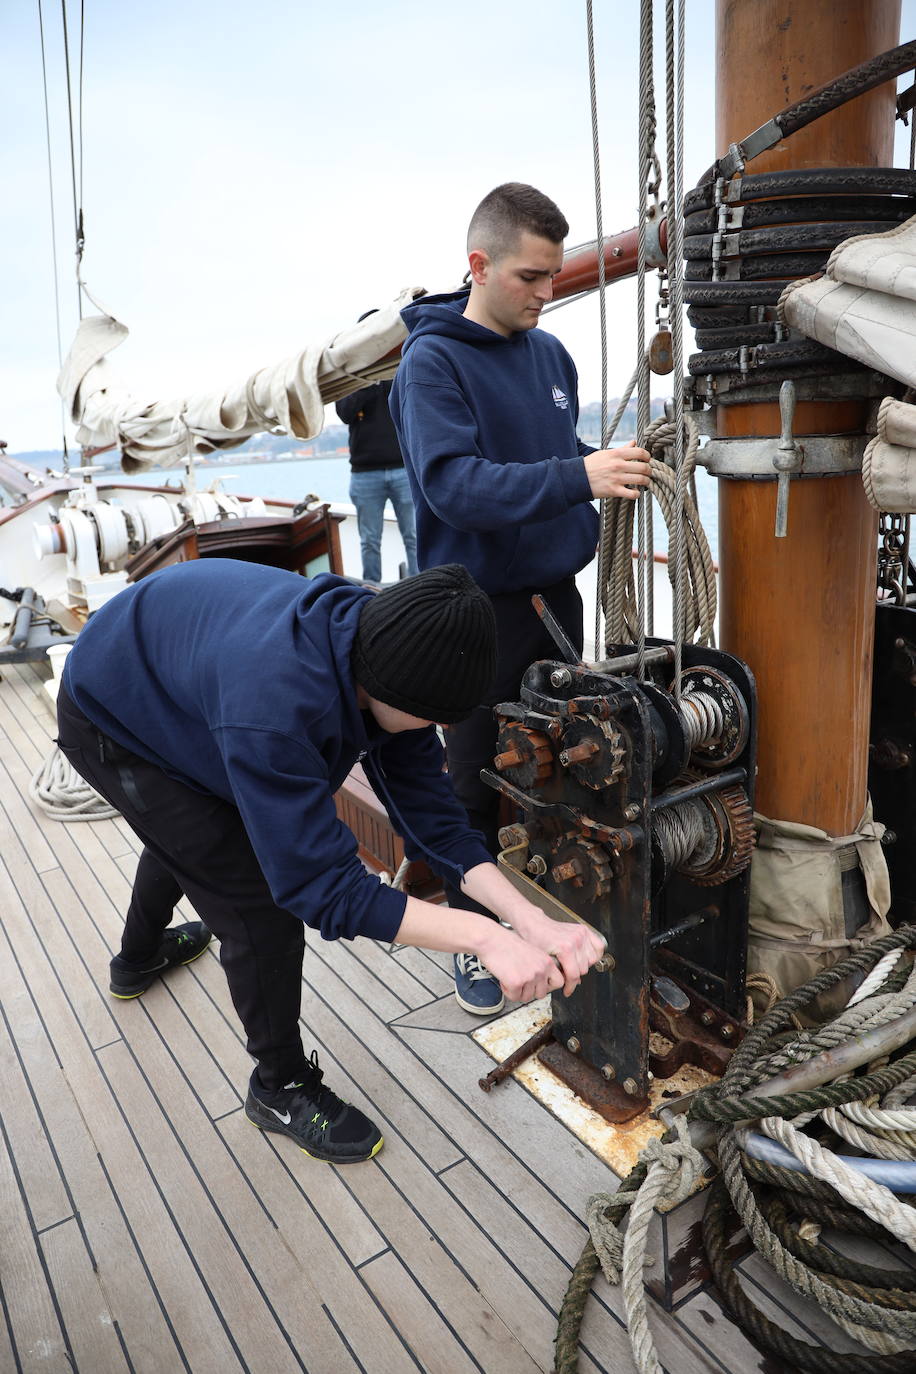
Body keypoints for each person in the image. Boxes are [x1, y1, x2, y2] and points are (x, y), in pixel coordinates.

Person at [56, 558, 605, 1165]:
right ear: (390, 693)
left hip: (179, 677)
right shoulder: (276, 710)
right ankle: (278, 1086)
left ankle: (136, 961)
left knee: (201, 842)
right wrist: (484, 938)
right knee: (252, 902)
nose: (440, 730)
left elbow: (436, 823)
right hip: (115, 714)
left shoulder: (387, 643)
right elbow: (323, 890)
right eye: (435, 719)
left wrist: (526, 918)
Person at [390, 182, 651, 1015]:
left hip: (557, 603)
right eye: (533, 277)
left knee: (571, 762)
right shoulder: (431, 363)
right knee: (472, 781)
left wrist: (606, 463)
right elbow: (455, 489)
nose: (547, 294)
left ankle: (555, 908)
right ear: (480, 265)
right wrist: (579, 476)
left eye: (554, 278)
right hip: (476, 615)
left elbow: (549, 450)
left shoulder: (552, 356)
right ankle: (480, 941)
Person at [336, 312, 418, 583]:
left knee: (415, 535)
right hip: (365, 474)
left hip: (403, 470)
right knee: (369, 541)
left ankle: (421, 587)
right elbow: (346, 413)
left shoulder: (404, 366)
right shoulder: (351, 375)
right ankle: (371, 590)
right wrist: (370, 380)